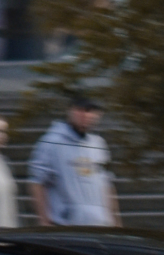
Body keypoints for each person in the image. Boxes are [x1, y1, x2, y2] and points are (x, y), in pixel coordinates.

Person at [28, 97, 117, 227]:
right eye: (81, 110)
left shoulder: (98, 144)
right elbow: (37, 182)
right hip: (66, 224)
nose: (86, 115)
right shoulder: (51, 142)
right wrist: (44, 220)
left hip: (99, 224)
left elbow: (107, 185)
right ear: (70, 111)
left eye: (91, 111)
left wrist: (115, 221)